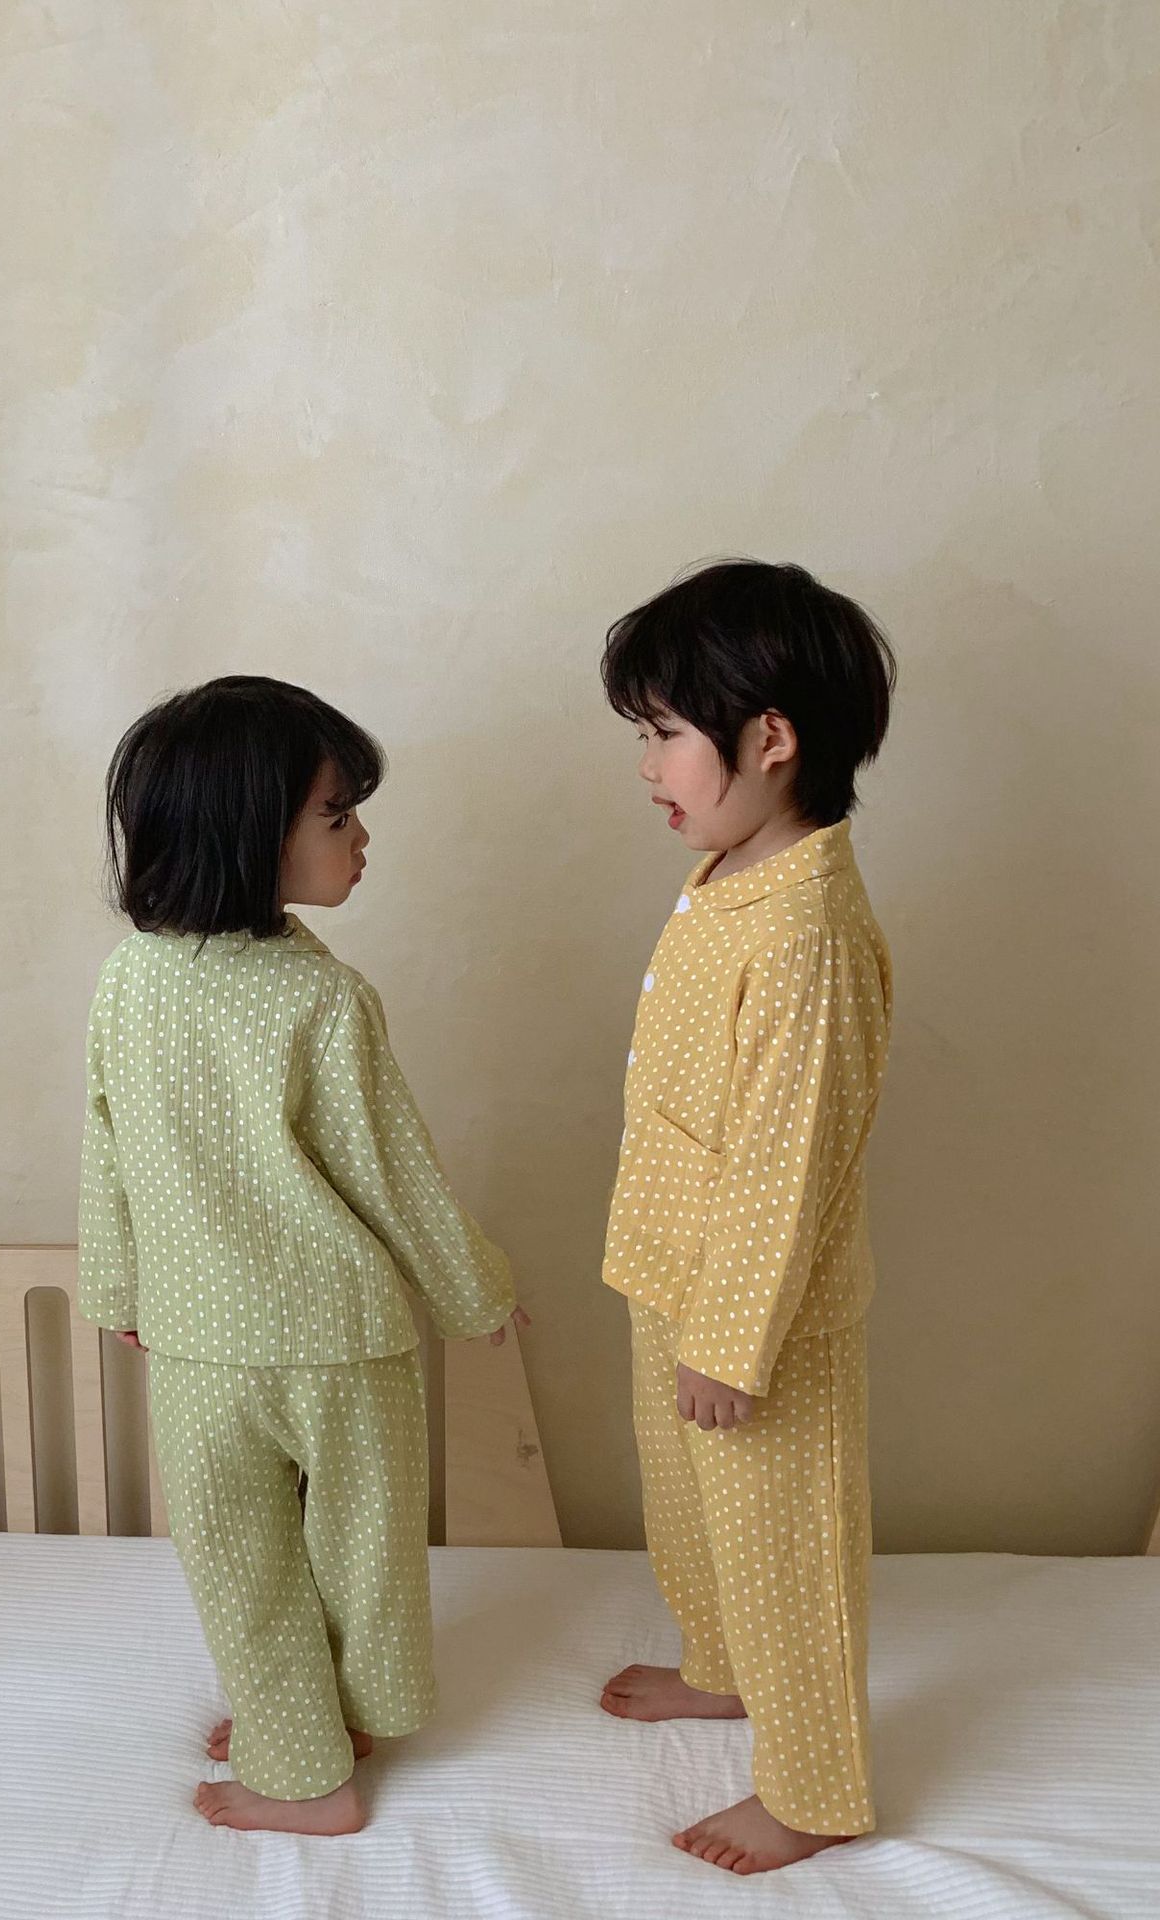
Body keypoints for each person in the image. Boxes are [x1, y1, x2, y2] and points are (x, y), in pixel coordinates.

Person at [79, 675, 523, 1836]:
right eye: (336, 815)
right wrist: (474, 1293)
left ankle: (303, 1745)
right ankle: (333, 1738)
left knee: (243, 1567)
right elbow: (395, 1174)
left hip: (202, 1347)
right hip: (340, 1343)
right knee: (359, 1556)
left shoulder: (131, 980)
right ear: (245, 830)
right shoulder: (324, 996)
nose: (362, 837)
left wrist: (117, 1288)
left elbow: (105, 1143)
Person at [596, 560, 896, 1874]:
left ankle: (815, 1788)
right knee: (692, 1512)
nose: (647, 767)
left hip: (756, 1321)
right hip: (673, 1267)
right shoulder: (730, 873)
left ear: (770, 740)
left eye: (665, 734)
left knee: (787, 1558)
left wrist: (732, 1340)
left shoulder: (807, 931)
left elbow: (789, 1161)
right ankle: (718, 1668)